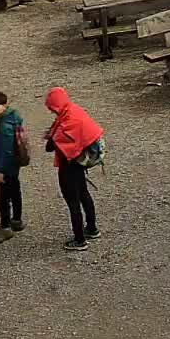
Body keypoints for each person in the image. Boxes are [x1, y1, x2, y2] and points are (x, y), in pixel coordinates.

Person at [44, 86, 104, 251]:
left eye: (52, 109)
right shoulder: (74, 111)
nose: (52, 112)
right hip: (79, 164)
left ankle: (79, 240)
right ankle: (92, 228)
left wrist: (52, 136)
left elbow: (51, 146)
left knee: (72, 202)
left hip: (68, 166)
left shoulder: (65, 124)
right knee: (84, 195)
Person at [0, 91, 25, 244]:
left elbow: (4, 150)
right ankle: (17, 220)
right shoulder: (14, 118)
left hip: (6, 166)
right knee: (15, 191)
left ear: (5, 105)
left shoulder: (3, 126)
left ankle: (5, 227)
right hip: (15, 164)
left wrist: (0, 170)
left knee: (3, 198)